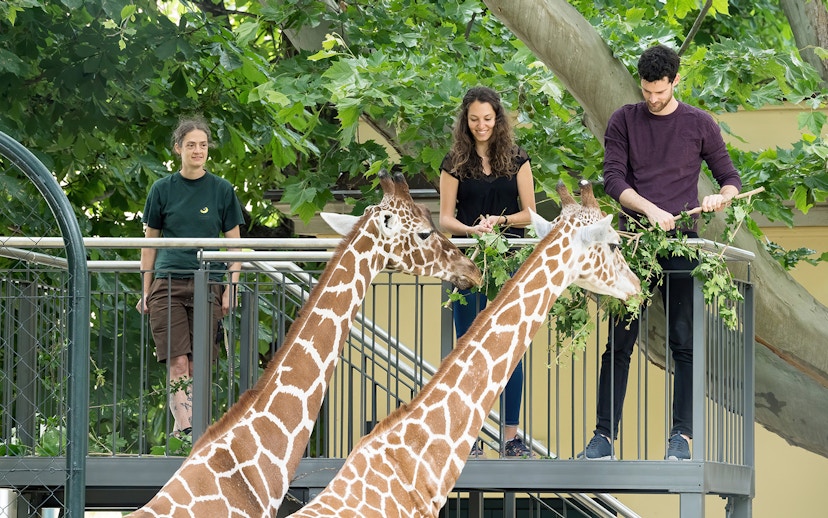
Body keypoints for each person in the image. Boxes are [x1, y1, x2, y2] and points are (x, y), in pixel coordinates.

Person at [579, 44, 741, 461]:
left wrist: (721, 198)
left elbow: (729, 177)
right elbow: (613, 179)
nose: (652, 99)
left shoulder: (699, 124)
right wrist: (650, 210)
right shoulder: (624, 121)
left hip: (682, 244)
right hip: (633, 243)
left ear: (675, 82)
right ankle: (603, 437)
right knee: (618, 342)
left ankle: (681, 438)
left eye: (660, 91)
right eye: (647, 91)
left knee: (684, 342)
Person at [438, 86, 537, 458]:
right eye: (475, 119)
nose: (481, 126)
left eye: (488, 119)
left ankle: (511, 437)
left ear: (498, 119)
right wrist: (472, 230)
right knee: (468, 351)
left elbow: (530, 213)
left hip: (509, 263)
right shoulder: (454, 162)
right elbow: (446, 219)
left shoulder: (517, 158)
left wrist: (501, 220)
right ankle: (471, 437)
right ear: (466, 120)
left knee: (510, 350)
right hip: (467, 265)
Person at [136, 115, 245, 438]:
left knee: (198, 366)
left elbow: (235, 245)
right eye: (191, 145)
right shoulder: (162, 190)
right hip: (167, 282)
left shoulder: (222, 190)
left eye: (203, 145)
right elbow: (148, 245)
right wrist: (145, 289)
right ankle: (189, 431)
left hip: (207, 284)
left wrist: (231, 288)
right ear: (178, 149)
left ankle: (185, 428)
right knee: (178, 363)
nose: (198, 150)